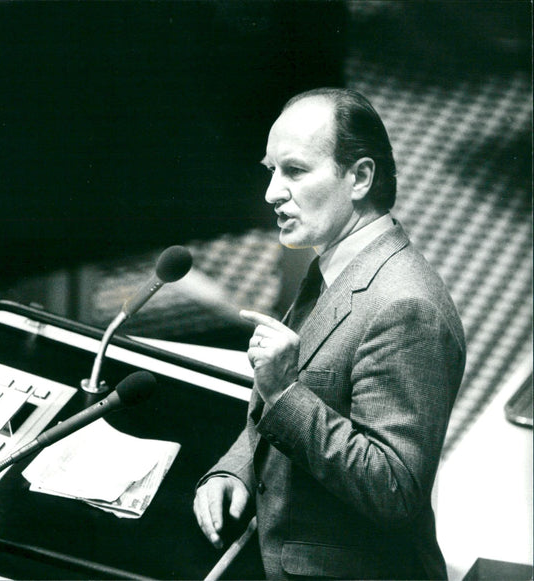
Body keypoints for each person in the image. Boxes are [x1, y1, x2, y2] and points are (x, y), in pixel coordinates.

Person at [193, 87, 466, 580]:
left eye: (294, 171)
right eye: (270, 170)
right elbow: (293, 404)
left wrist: (284, 391)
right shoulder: (335, 265)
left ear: (359, 177)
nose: (271, 192)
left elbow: (396, 489)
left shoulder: (406, 306)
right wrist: (236, 467)